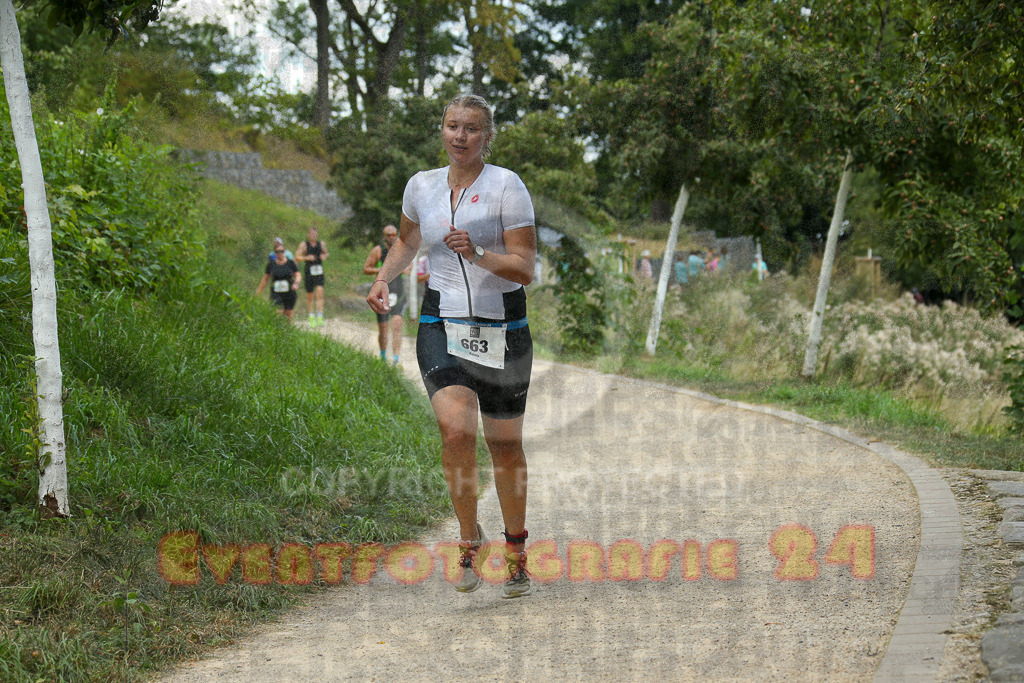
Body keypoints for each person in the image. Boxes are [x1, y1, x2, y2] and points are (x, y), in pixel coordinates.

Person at [366, 94, 536, 598]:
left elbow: (525, 267)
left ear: (487, 137)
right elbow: (409, 241)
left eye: (472, 129)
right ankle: (468, 536)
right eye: (452, 126)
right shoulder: (421, 186)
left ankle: (516, 548)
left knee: (504, 446)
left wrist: (480, 252)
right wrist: (383, 278)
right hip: (441, 322)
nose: (460, 136)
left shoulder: (507, 185)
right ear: (441, 130)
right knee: (455, 432)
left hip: (502, 325)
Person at [363, 225, 411, 365]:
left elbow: (409, 267)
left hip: (398, 294)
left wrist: (406, 268)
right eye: (388, 235)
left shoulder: (401, 249)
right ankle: (383, 356)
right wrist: (382, 269)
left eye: (393, 234)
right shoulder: (378, 251)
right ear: (384, 236)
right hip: (382, 295)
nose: (391, 237)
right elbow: (366, 269)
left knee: (397, 326)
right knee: (384, 329)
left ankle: (396, 357)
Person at [256, 240, 301, 320]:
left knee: (288, 314)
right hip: (276, 292)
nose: (280, 253)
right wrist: (258, 292)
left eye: (282, 251)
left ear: (284, 252)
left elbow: (298, 275)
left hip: (289, 292)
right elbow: (265, 279)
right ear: (275, 253)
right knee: (277, 313)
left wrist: (296, 283)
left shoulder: (290, 263)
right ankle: (278, 331)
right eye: (277, 252)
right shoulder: (271, 264)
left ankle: (289, 331)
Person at [296, 227, 329, 327]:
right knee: (310, 296)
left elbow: (326, 253)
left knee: (320, 292)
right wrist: (307, 257)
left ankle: (319, 316)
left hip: (319, 271)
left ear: (317, 235)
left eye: (315, 234)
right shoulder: (304, 245)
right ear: (308, 235)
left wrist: (324, 256)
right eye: (311, 234)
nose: (313, 236)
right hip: (309, 272)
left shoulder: (321, 244)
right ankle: (311, 317)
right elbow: (297, 256)